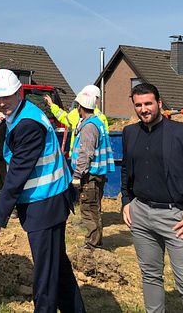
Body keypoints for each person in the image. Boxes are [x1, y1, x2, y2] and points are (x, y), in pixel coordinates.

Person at [0, 69, 84, 313]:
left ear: (19, 92)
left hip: (46, 204)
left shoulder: (28, 124)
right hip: (48, 200)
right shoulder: (21, 114)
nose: (1, 103)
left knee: (46, 277)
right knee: (57, 268)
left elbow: (17, 176)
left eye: (6, 97)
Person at [121, 83, 183, 313]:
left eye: (148, 104)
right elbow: (126, 170)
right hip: (141, 214)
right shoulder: (130, 133)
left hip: (177, 218)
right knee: (150, 275)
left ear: (159, 103)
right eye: (139, 105)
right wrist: (126, 202)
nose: (144, 109)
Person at [70, 92, 115, 249]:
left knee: (89, 210)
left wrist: (77, 175)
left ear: (80, 107)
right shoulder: (96, 122)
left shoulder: (89, 127)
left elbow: (86, 152)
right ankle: (95, 242)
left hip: (90, 176)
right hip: (95, 175)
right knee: (94, 209)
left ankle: (92, 245)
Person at [44, 84, 109, 152]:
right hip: (79, 156)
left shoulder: (78, 113)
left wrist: (52, 106)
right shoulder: (101, 117)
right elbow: (63, 117)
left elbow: (63, 117)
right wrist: (52, 105)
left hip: (85, 157)